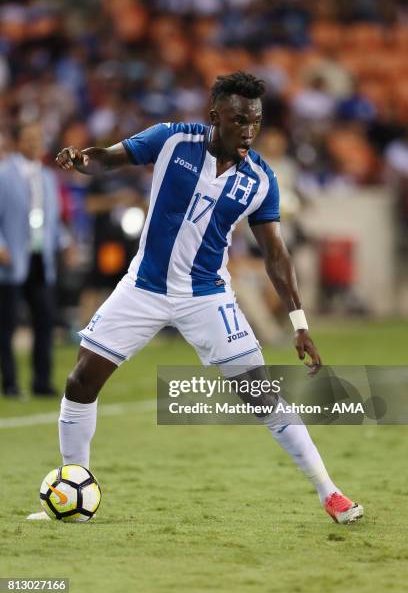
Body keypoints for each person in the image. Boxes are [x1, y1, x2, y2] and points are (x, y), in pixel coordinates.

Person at [28, 72, 363, 523]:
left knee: (261, 393)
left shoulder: (261, 178)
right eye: (238, 120)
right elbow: (109, 158)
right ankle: (75, 486)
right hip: (144, 288)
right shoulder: (172, 139)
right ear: (214, 116)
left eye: (255, 122)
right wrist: (81, 159)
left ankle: (330, 492)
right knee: (80, 381)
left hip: (207, 297)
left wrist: (299, 322)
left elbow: (276, 254)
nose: (247, 131)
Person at [0, 121, 66, 398]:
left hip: (41, 258)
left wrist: (65, 241)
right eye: (28, 138)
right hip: (12, 259)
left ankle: (42, 381)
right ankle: (11, 383)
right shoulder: (4, 175)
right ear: (17, 142)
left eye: (38, 138)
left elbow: (51, 219)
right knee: (7, 324)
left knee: (45, 320)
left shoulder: (48, 177)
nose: (34, 143)